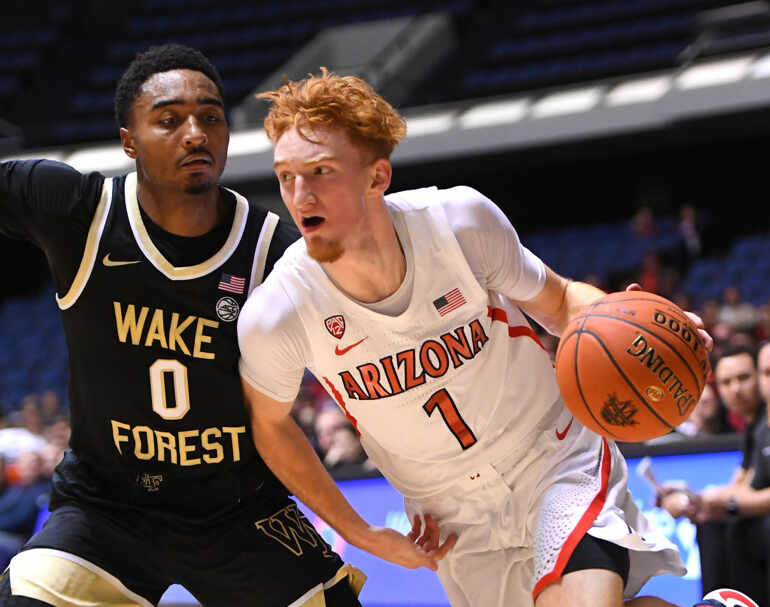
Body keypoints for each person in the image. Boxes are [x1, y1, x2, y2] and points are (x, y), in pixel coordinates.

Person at [236, 68, 747, 607]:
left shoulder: (457, 222)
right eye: (286, 175)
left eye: (320, 171)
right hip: (452, 519)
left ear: (376, 176)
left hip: (551, 460)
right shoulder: (279, 312)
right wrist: (363, 534)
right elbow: (270, 426)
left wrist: (639, 319)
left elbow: (559, 301)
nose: (299, 194)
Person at [0, 44, 445, 607]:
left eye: (210, 117)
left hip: (241, 510)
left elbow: (378, 359)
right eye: (169, 120)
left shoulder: (276, 252)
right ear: (128, 139)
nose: (195, 133)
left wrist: (374, 523)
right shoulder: (77, 210)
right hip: (105, 507)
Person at [657, 344, 767, 603]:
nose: (736, 389)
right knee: (710, 522)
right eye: (727, 382)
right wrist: (693, 499)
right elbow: (742, 485)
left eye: (744, 378)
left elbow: (740, 496)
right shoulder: (754, 427)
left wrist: (726, 503)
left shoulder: (765, 421)